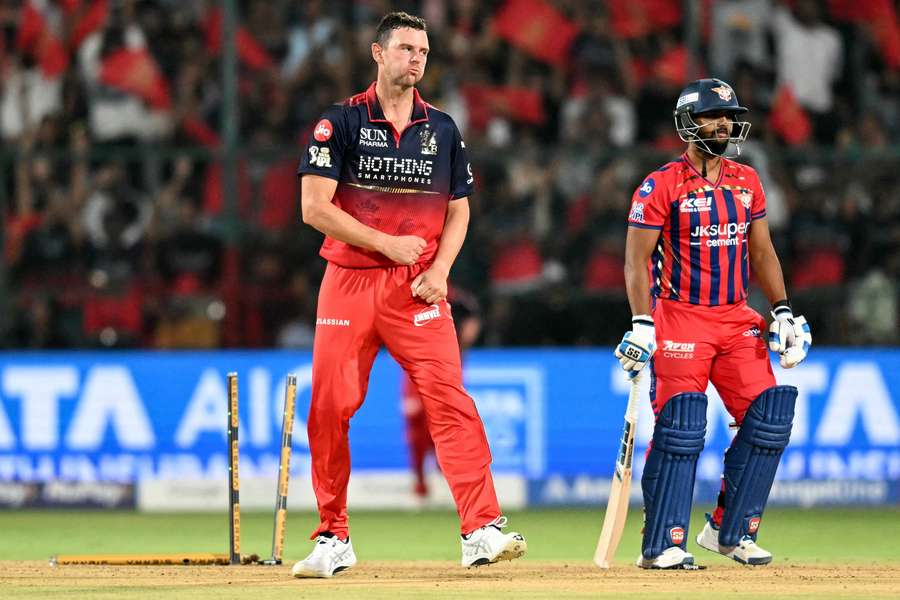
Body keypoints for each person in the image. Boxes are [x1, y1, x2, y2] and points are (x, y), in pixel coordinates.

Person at [292, 12, 526, 578]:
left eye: (423, 49)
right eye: (405, 48)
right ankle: (333, 536)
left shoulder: (442, 128)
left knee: (450, 402)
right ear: (377, 53)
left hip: (418, 289)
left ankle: (481, 530)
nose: (416, 58)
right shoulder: (339, 121)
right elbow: (314, 208)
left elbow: (459, 208)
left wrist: (441, 268)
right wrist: (385, 243)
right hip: (348, 282)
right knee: (329, 407)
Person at [615, 78, 812, 569]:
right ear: (687, 122)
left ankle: (729, 530)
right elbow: (635, 262)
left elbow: (762, 251)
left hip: (737, 317)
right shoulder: (660, 184)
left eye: (727, 115)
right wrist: (642, 323)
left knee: (769, 417)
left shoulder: (747, 179)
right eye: (711, 115)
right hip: (680, 317)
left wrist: (783, 309)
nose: (723, 123)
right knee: (682, 425)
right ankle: (663, 543)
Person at [400, 286, 482, 504]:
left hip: (447, 363)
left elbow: (473, 320)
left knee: (448, 425)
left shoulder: (459, 299)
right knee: (417, 426)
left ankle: (454, 484)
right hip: (417, 363)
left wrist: (464, 337)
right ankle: (419, 484)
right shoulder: (411, 290)